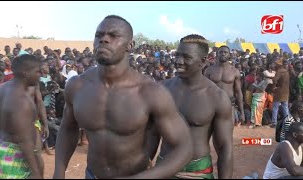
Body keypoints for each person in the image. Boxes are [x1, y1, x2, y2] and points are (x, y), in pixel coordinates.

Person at [54, 15, 193, 179]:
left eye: (113, 35)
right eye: (99, 35)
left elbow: (184, 148)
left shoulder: (150, 92)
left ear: (130, 45)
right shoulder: (77, 86)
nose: (104, 39)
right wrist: (59, 172)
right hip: (93, 175)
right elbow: (68, 128)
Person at [159, 34, 233, 179]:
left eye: (186, 57)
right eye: (178, 55)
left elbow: (225, 147)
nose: (179, 61)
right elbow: (151, 135)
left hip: (198, 172)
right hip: (163, 170)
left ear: (203, 61)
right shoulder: (162, 89)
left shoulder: (217, 97)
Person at [0, 54, 43, 179]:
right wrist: (36, 172)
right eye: (38, 71)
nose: (40, 74)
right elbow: (23, 141)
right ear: (26, 73)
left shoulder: (1, 88)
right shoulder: (22, 100)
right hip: (10, 159)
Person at [205, 45, 245, 126]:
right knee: (210, 133)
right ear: (217, 54)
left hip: (229, 105)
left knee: (227, 133)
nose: (223, 54)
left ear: (229, 55)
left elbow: (238, 92)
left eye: (225, 52)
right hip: (212, 105)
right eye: (221, 52)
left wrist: (242, 112)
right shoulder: (209, 70)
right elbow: (204, 90)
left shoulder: (234, 71)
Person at [271, 60, 290, 127]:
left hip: (279, 92)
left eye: (276, 64)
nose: (274, 66)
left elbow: (275, 80)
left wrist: (273, 87)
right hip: (286, 91)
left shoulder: (279, 71)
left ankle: (274, 123)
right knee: (285, 107)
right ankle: (288, 122)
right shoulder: (286, 71)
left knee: (275, 107)